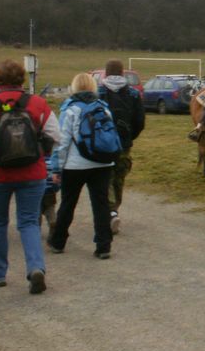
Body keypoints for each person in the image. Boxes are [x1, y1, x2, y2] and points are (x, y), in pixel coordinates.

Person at [0, 59, 60, 293]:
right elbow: (56, 135)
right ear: (21, 79)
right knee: (29, 222)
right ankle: (35, 268)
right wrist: (40, 150)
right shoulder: (37, 103)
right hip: (32, 172)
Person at [48, 73, 116, 259]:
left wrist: (56, 168)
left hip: (75, 165)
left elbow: (61, 143)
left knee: (68, 203)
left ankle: (58, 241)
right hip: (102, 163)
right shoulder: (103, 108)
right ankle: (104, 246)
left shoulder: (70, 109)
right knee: (101, 204)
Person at [97, 59, 145, 234]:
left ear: (106, 73)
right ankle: (114, 208)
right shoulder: (133, 94)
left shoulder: (98, 92)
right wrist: (130, 137)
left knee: (105, 177)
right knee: (119, 177)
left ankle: (111, 212)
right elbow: (139, 121)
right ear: (122, 72)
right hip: (124, 143)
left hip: (103, 144)